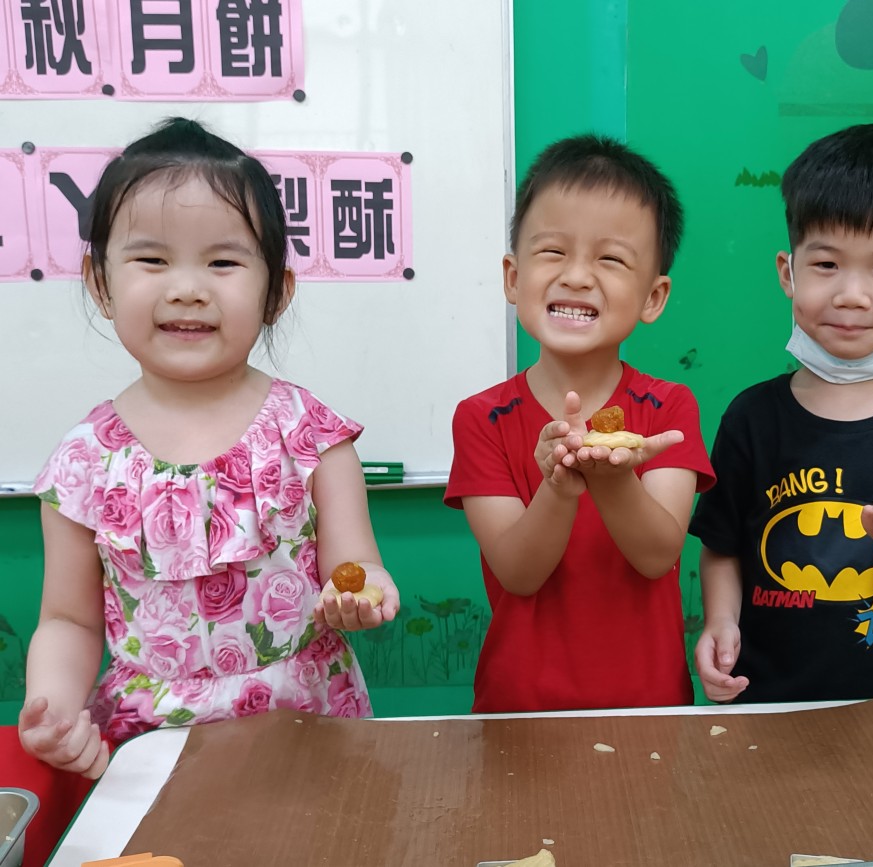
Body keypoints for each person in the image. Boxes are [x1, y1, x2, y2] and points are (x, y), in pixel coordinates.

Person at [19, 117, 400, 778]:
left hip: (307, 728)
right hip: (152, 748)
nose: (187, 287)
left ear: (276, 291)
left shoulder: (311, 433)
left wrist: (364, 593)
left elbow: (357, 564)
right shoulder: (83, 462)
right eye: (152, 260)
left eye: (223, 262)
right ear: (100, 283)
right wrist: (52, 710)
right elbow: (67, 621)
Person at [691, 124, 873, 704]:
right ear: (788, 273)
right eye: (826, 263)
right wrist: (720, 621)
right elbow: (722, 542)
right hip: (761, 699)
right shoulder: (752, 416)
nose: (851, 293)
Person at [445, 134, 715, 713]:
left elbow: (656, 554)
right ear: (513, 277)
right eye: (552, 251)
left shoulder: (669, 407)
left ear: (654, 296)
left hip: (649, 707)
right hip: (520, 709)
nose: (576, 276)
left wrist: (611, 477)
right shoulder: (481, 417)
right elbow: (518, 573)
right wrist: (560, 487)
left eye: (610, 259)